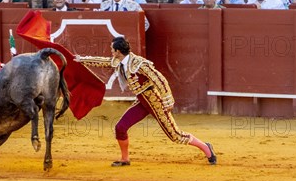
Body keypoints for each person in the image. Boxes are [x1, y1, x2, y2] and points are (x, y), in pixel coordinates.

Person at [75, 36, 217, 166]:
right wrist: (82, 60)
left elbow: (159, 78)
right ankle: (125, 159)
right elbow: (104, 62)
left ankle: (205, 147)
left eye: (112, 49)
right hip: (142, 102)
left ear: (118, 51)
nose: (111, 52)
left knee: (175, 135)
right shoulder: (120, 60)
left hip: (155, 101)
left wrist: (168, 98)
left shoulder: (139, 63)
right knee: (120, 128)